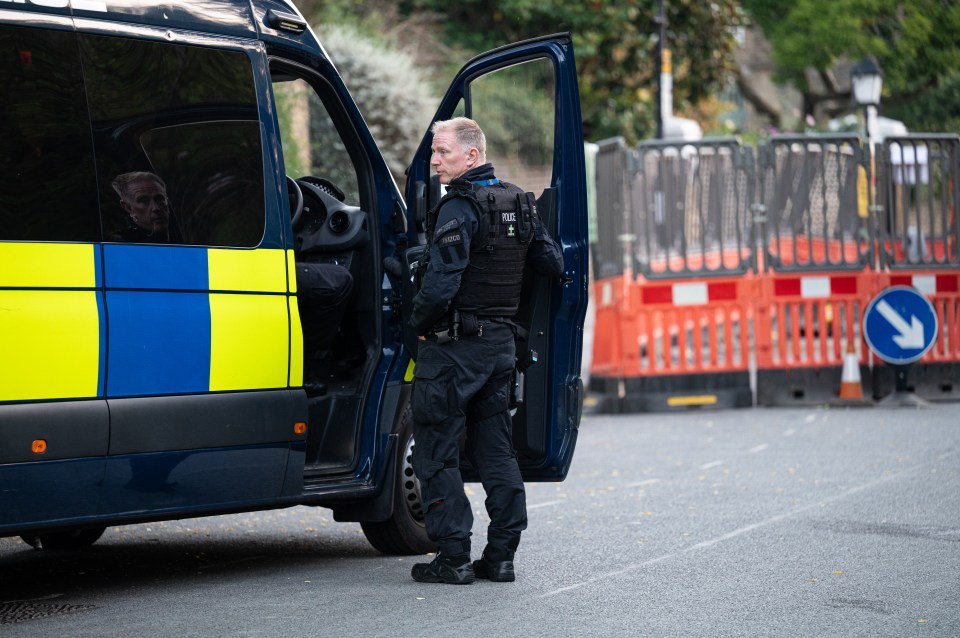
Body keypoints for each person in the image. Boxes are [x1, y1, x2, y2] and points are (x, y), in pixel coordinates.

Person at [408, 117, 564, 584]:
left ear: (471, 156)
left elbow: (440, 285)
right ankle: (501, 556)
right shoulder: (519, 200)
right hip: (499, 350)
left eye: (443, 153)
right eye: (434, 153)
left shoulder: (460, 206)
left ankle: (453, 557)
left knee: (435, 454)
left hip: (454, 351)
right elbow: (552, 262)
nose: (435, 161)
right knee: (497, 452)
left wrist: (414, 325)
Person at [110, 171, 173, 243]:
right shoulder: (120, 244)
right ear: (128, 207)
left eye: (160, 199)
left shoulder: (176, 233)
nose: (156, 208)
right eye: (144, 201)